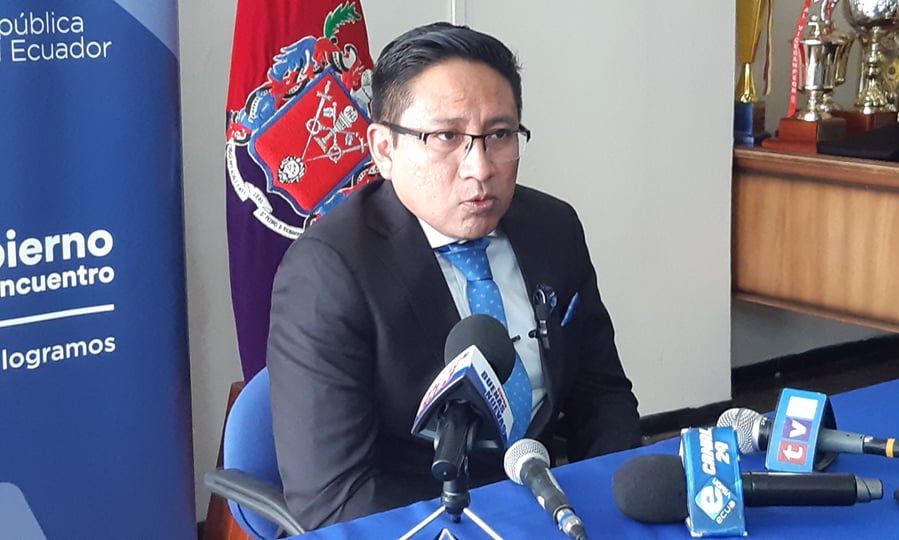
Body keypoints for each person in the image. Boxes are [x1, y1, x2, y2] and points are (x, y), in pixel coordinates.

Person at [266, 21, 644, 530]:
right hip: (423, 523)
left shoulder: (554, 228)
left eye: (500, 135)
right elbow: (335, 497)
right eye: (446, 136)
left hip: (549, 507)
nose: (480, 168)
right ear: (384, 149)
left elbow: (602, 398)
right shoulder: (328, 272)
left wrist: (617, 509)